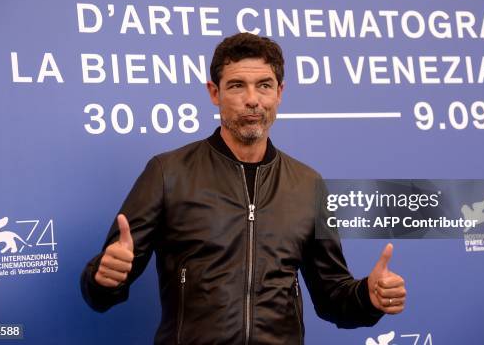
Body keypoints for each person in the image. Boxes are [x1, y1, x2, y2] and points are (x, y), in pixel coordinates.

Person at [80, 33, 406, 344]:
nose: (252, 100)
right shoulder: (168, 173)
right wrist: (104, 278)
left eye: (263, 85)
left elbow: (333, 298)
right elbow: (100, 292)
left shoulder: (308, 184)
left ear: (279, 92)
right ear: (214, 92)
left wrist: (368, 296)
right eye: (237, 85)